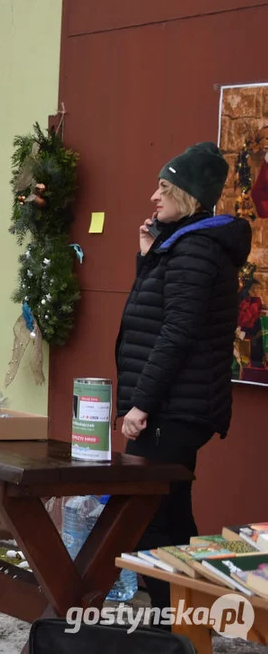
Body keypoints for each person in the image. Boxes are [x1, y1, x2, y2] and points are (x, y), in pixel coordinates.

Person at [116, 142, 251, 613]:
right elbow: (156, 314)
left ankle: (170, 621)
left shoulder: (196, 248)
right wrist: (148, 256)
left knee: (144, 513)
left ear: (189, 197)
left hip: (172, 409)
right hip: (175, 406)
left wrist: (140, 405)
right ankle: (184, 622)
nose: (154, 196)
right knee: (169, 512)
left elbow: (176, 335)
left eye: (165, 188)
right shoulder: (186, 245)